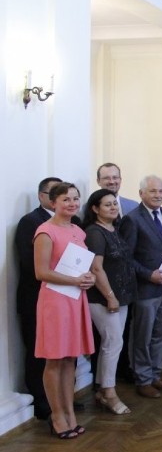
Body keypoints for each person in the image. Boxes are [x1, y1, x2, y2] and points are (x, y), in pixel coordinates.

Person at [33, 183, 96, 439]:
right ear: (53, 202)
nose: (71, 203)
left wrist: (88, 278)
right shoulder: (45, 231)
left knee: (71, 357)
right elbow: (42, 272)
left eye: (75, 198)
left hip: (75, 298)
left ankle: (70, 412)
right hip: (55, 301)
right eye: (66, 199)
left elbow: (81, 265)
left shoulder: (78, 231)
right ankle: (56, 415)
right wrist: (75, 281)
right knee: (55, 359)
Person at [121, 175, 162, 399]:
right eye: (153, 191)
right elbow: (126, 258)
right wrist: (148, 275)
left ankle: (156, 374)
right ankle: (143, 379)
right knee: (143, 335)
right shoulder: (132, 219)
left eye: (160, 191)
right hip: (146, 289)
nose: (158, 195)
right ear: (141, 194)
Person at [82, 189, 136, 415]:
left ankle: (104, 389)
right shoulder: (94, 232)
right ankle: (109, 392)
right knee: (112, 344)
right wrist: (110, 296)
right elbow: (96, 268)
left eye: (114, 204)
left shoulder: (113, 229)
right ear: (95, 209)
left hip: (121, 295)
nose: (113, 207)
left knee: (113, 344)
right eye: (107, 205)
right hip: (104, 298)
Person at [15, 176, 62, 420]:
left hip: (63, 297)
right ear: (42, 196)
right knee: (38, 351)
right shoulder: (31, 222)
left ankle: (59, 400)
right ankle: (41, 402)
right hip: (36, 297)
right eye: (55, 193)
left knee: (59, 352)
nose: (60, 198)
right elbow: (29, 262)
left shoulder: (69, 222)